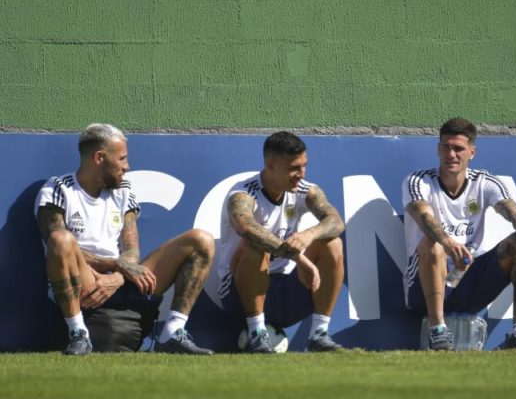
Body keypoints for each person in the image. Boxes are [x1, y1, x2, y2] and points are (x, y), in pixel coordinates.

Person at [35, 123, 215, 355]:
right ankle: (78, 333)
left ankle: (172, 332)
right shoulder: (58, 189)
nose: (127, 167)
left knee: (201, 240)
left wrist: (119, 276)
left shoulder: (123, 191)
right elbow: (57, 247)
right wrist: (115, 266)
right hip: (87, 282)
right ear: (99, 158)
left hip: (123, 279)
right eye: (121, 159)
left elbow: (132, 250)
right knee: (62, 240)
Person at [402, 117, 516, 351]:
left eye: (459, 149)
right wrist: (447, 242)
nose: (451, 154)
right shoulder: (419, 180)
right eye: (446, 147)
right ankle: (438, 331)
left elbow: (515, 214)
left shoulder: (485, 182)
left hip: (469, 280)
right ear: (438, 149)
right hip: (424, 286)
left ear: (472, 152)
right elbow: (423, 217)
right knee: (432, 243)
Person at [218, 131, 345, 353]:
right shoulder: (243, 193)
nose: (301, 174)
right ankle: (257, 333)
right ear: (271, 166)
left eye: (304, 166)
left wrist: (309, 235)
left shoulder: (305, 190)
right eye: (294, 168)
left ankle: (319, 334)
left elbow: (336, 221)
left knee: (332, 243)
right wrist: (298, 257)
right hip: (240, 296)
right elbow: (246, 228)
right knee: (254, 245)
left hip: (288, 293)